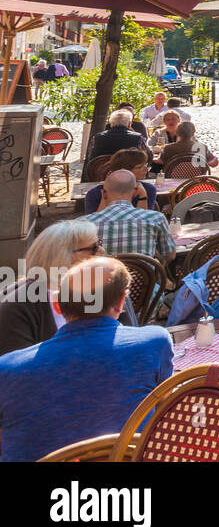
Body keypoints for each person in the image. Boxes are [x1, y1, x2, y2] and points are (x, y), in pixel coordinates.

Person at [0, 257, 173, 463]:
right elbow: (166, 412)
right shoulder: (155, 343)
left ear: (56, 305)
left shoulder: (6, 369)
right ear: (121, 301)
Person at [0, 220, 139, 356]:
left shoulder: (108, 287)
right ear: (61, 256)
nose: (102, 251)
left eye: (100, 243)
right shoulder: (18, 305)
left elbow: (131, 341)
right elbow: (15, 368)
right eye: (94, 247)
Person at [89, 170, 177, 264]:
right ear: (135, 192)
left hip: (102, 278)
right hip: (145, 277)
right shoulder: (156, 218)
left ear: (103, 194)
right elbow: (170, 256)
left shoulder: (85, 224)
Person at [84, 148, 156, 213]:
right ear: (123, 171)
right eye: (139, 167)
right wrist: (105, 197)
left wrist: (143, 196)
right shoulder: (95, 193)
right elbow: (94, 222)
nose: (146, 169)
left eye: (145, 165)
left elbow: (145, 220)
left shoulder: (148, 189)